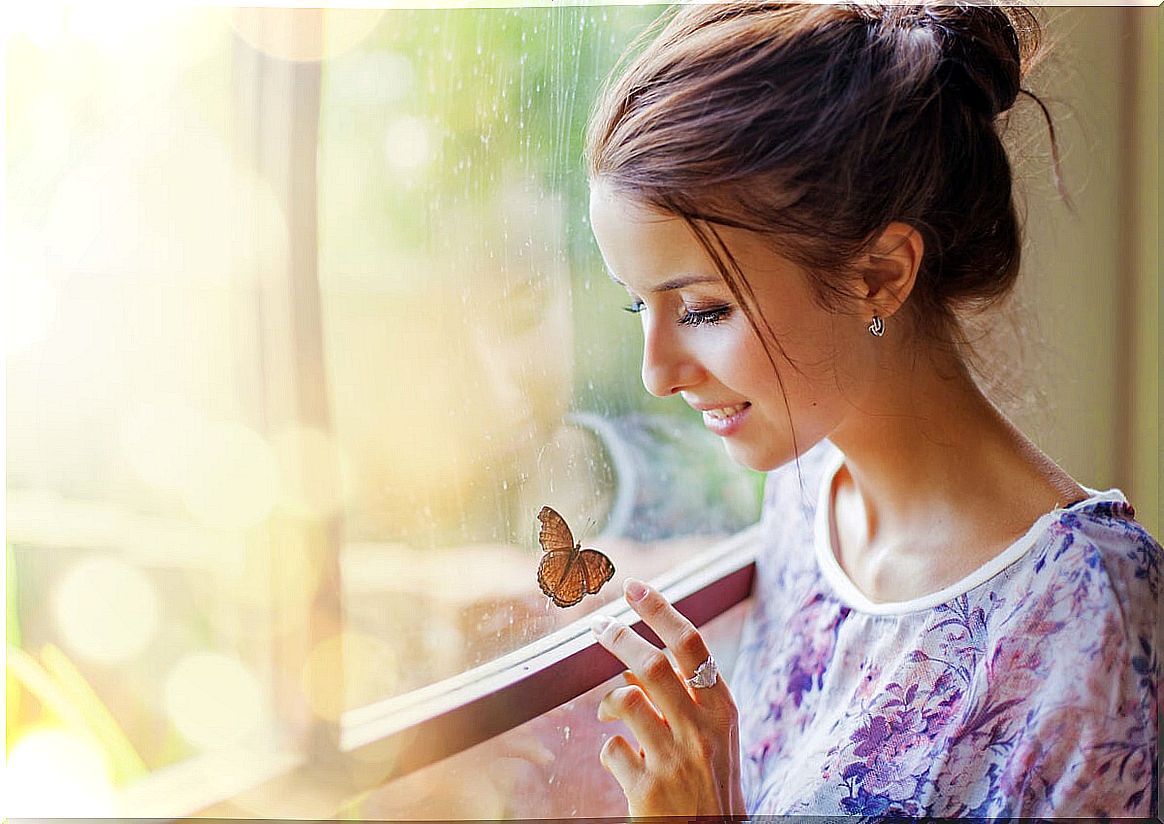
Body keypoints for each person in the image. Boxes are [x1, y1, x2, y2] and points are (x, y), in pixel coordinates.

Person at [580, 2, 1160, 818]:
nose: (656, 375)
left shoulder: (1087, 611)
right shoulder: (807, 487)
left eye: (703, 309)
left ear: (880, 275)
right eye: (635, 305)